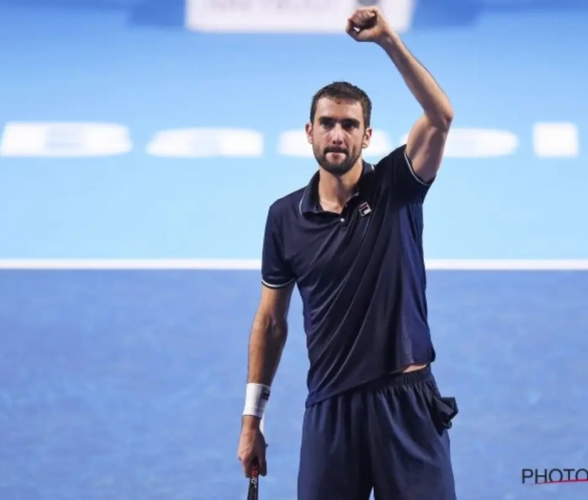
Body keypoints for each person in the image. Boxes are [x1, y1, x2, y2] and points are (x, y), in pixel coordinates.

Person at [237, 6, 458, 500]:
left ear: (367, 136)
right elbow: (270, 323)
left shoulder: (397, 186)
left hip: (406, 402)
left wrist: (388, 42)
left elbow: (441, 117)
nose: (338, 134)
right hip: (331, 410)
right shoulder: (284, 218)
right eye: (327, 123)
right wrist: (252, 420)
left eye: (349, 125)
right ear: (309, 132)